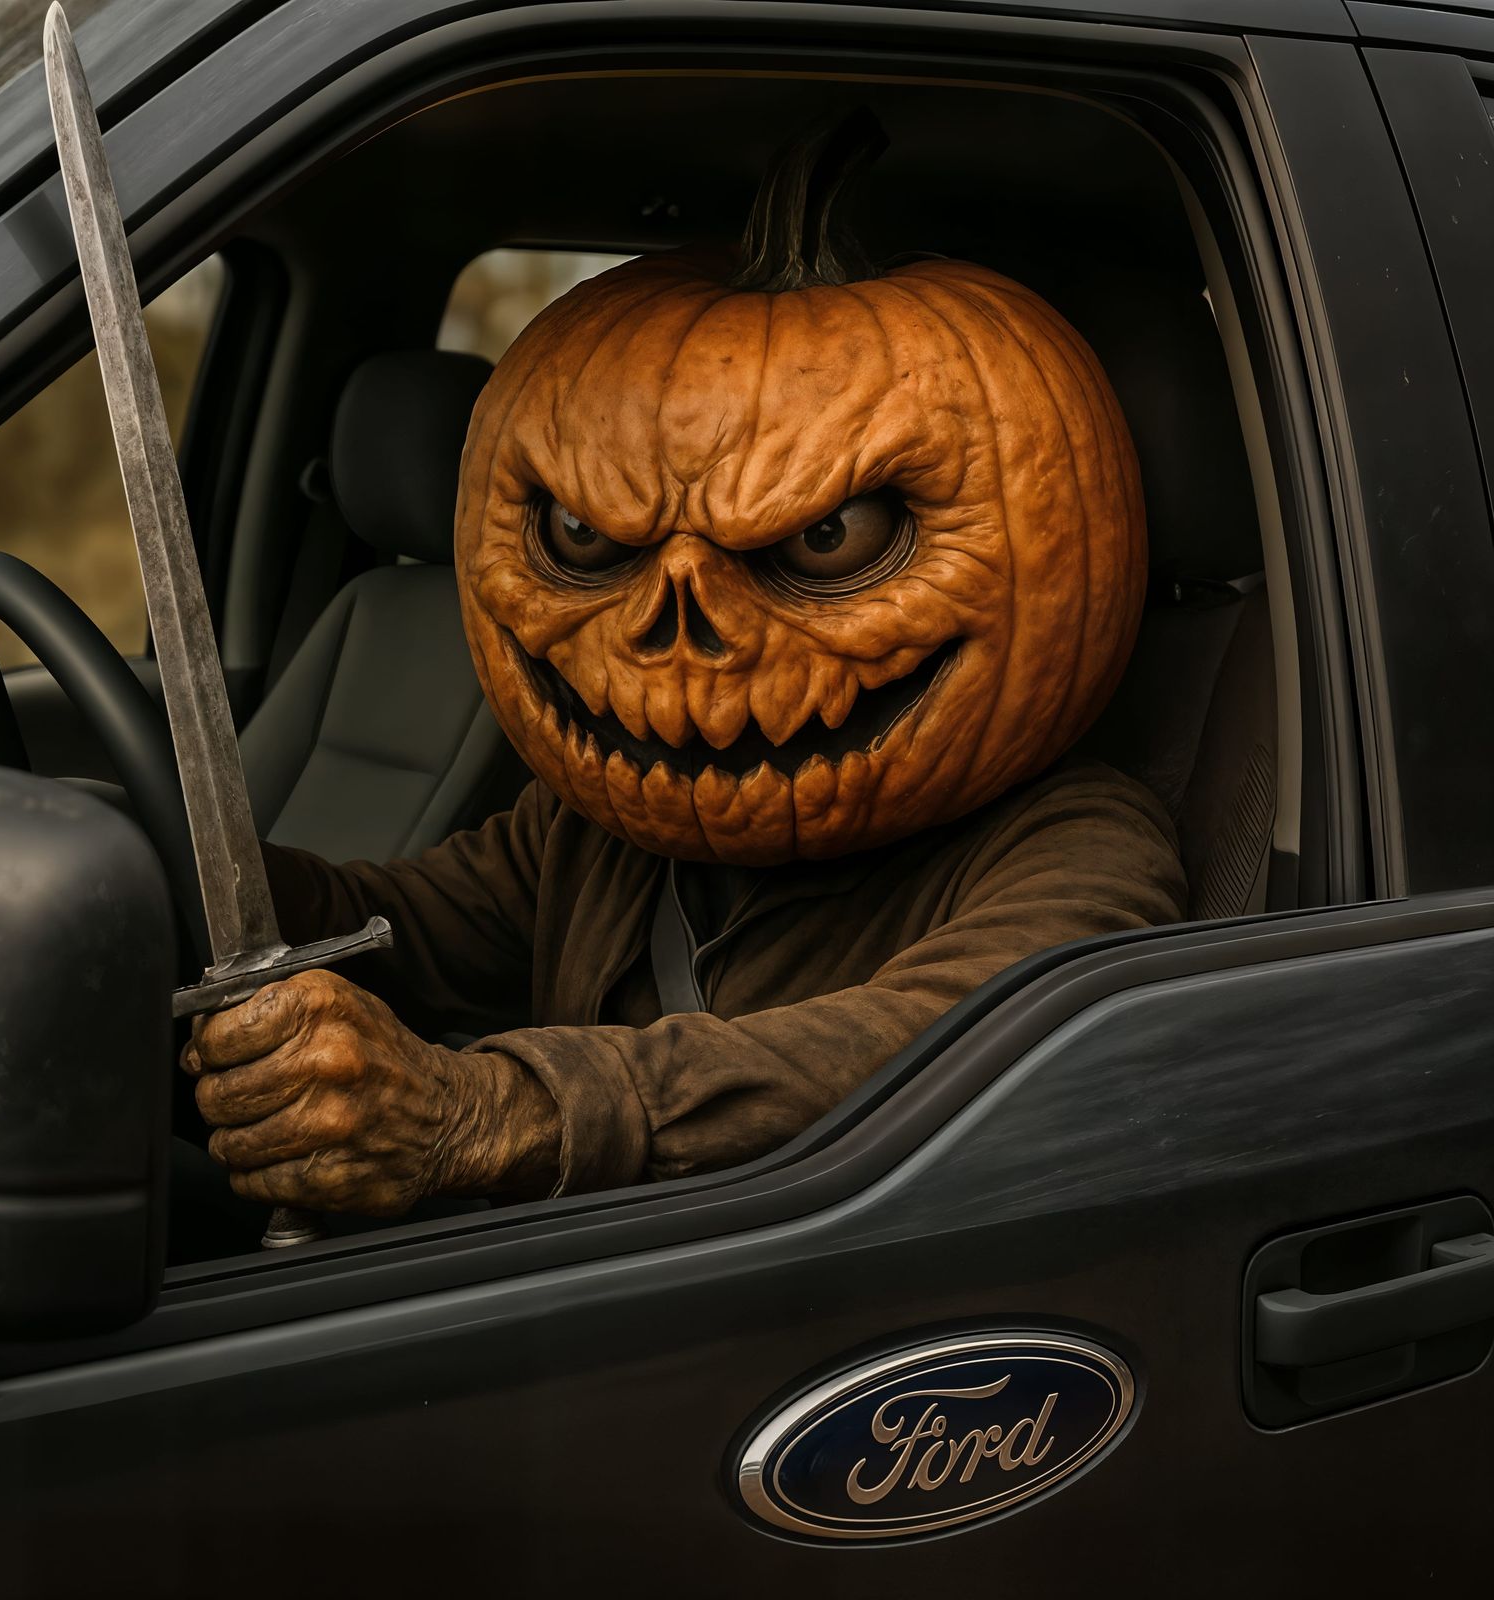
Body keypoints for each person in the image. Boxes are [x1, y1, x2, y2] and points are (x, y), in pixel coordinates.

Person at [181, 116, 1186, 1217]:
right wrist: (165, 886)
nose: (676, 633)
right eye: (583, 540)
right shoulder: (609, 825)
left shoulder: (1080, 844)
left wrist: (491, 1110)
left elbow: (943, 1048)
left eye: (827, 538)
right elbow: (399, 930)